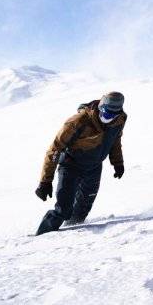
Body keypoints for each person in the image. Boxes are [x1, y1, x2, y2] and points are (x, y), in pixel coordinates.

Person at [34, 91, 127, 235]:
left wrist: (117, 163)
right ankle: (42, 236)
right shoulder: (78, 121)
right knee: (63, 210)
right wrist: (45, 181)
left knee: (83, 208)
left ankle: (73, 236)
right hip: (71, 166)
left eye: (113, 116)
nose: (109, 119)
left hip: (94, 167)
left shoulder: (120, 119)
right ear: (101, 108)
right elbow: (54, 149)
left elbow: (115, 141)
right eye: (107, 115)